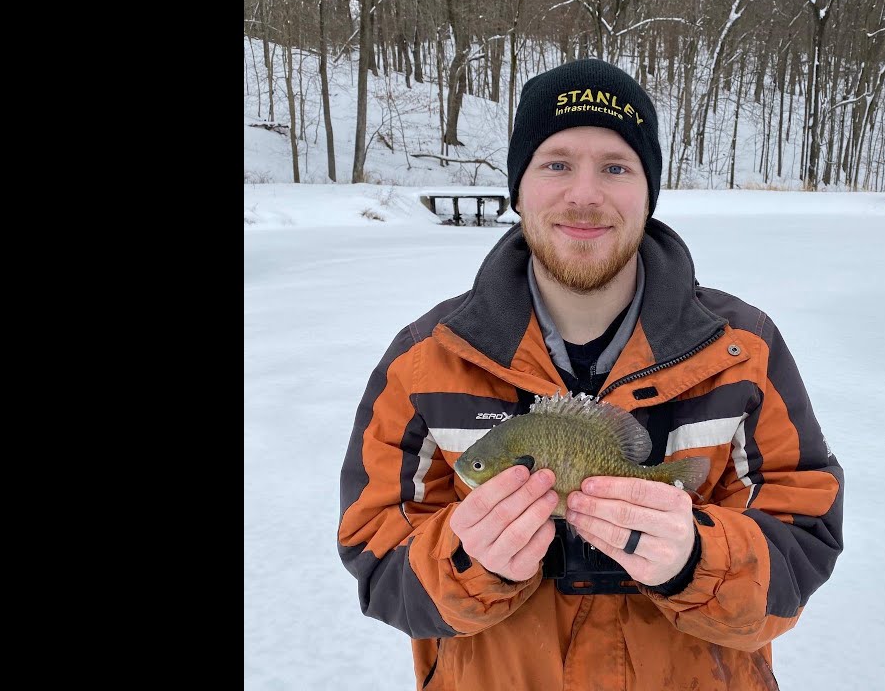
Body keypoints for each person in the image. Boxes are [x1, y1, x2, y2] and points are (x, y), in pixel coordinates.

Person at [338, 58, 844, 690]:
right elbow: (375, 559)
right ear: (518, 189)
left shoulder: (743, 351)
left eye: (615, 167)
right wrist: (468, 563)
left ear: (648, 191)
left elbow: (806, 541)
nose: (584, 194)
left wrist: (695, 559)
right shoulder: (424, 362)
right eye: (556, 164)